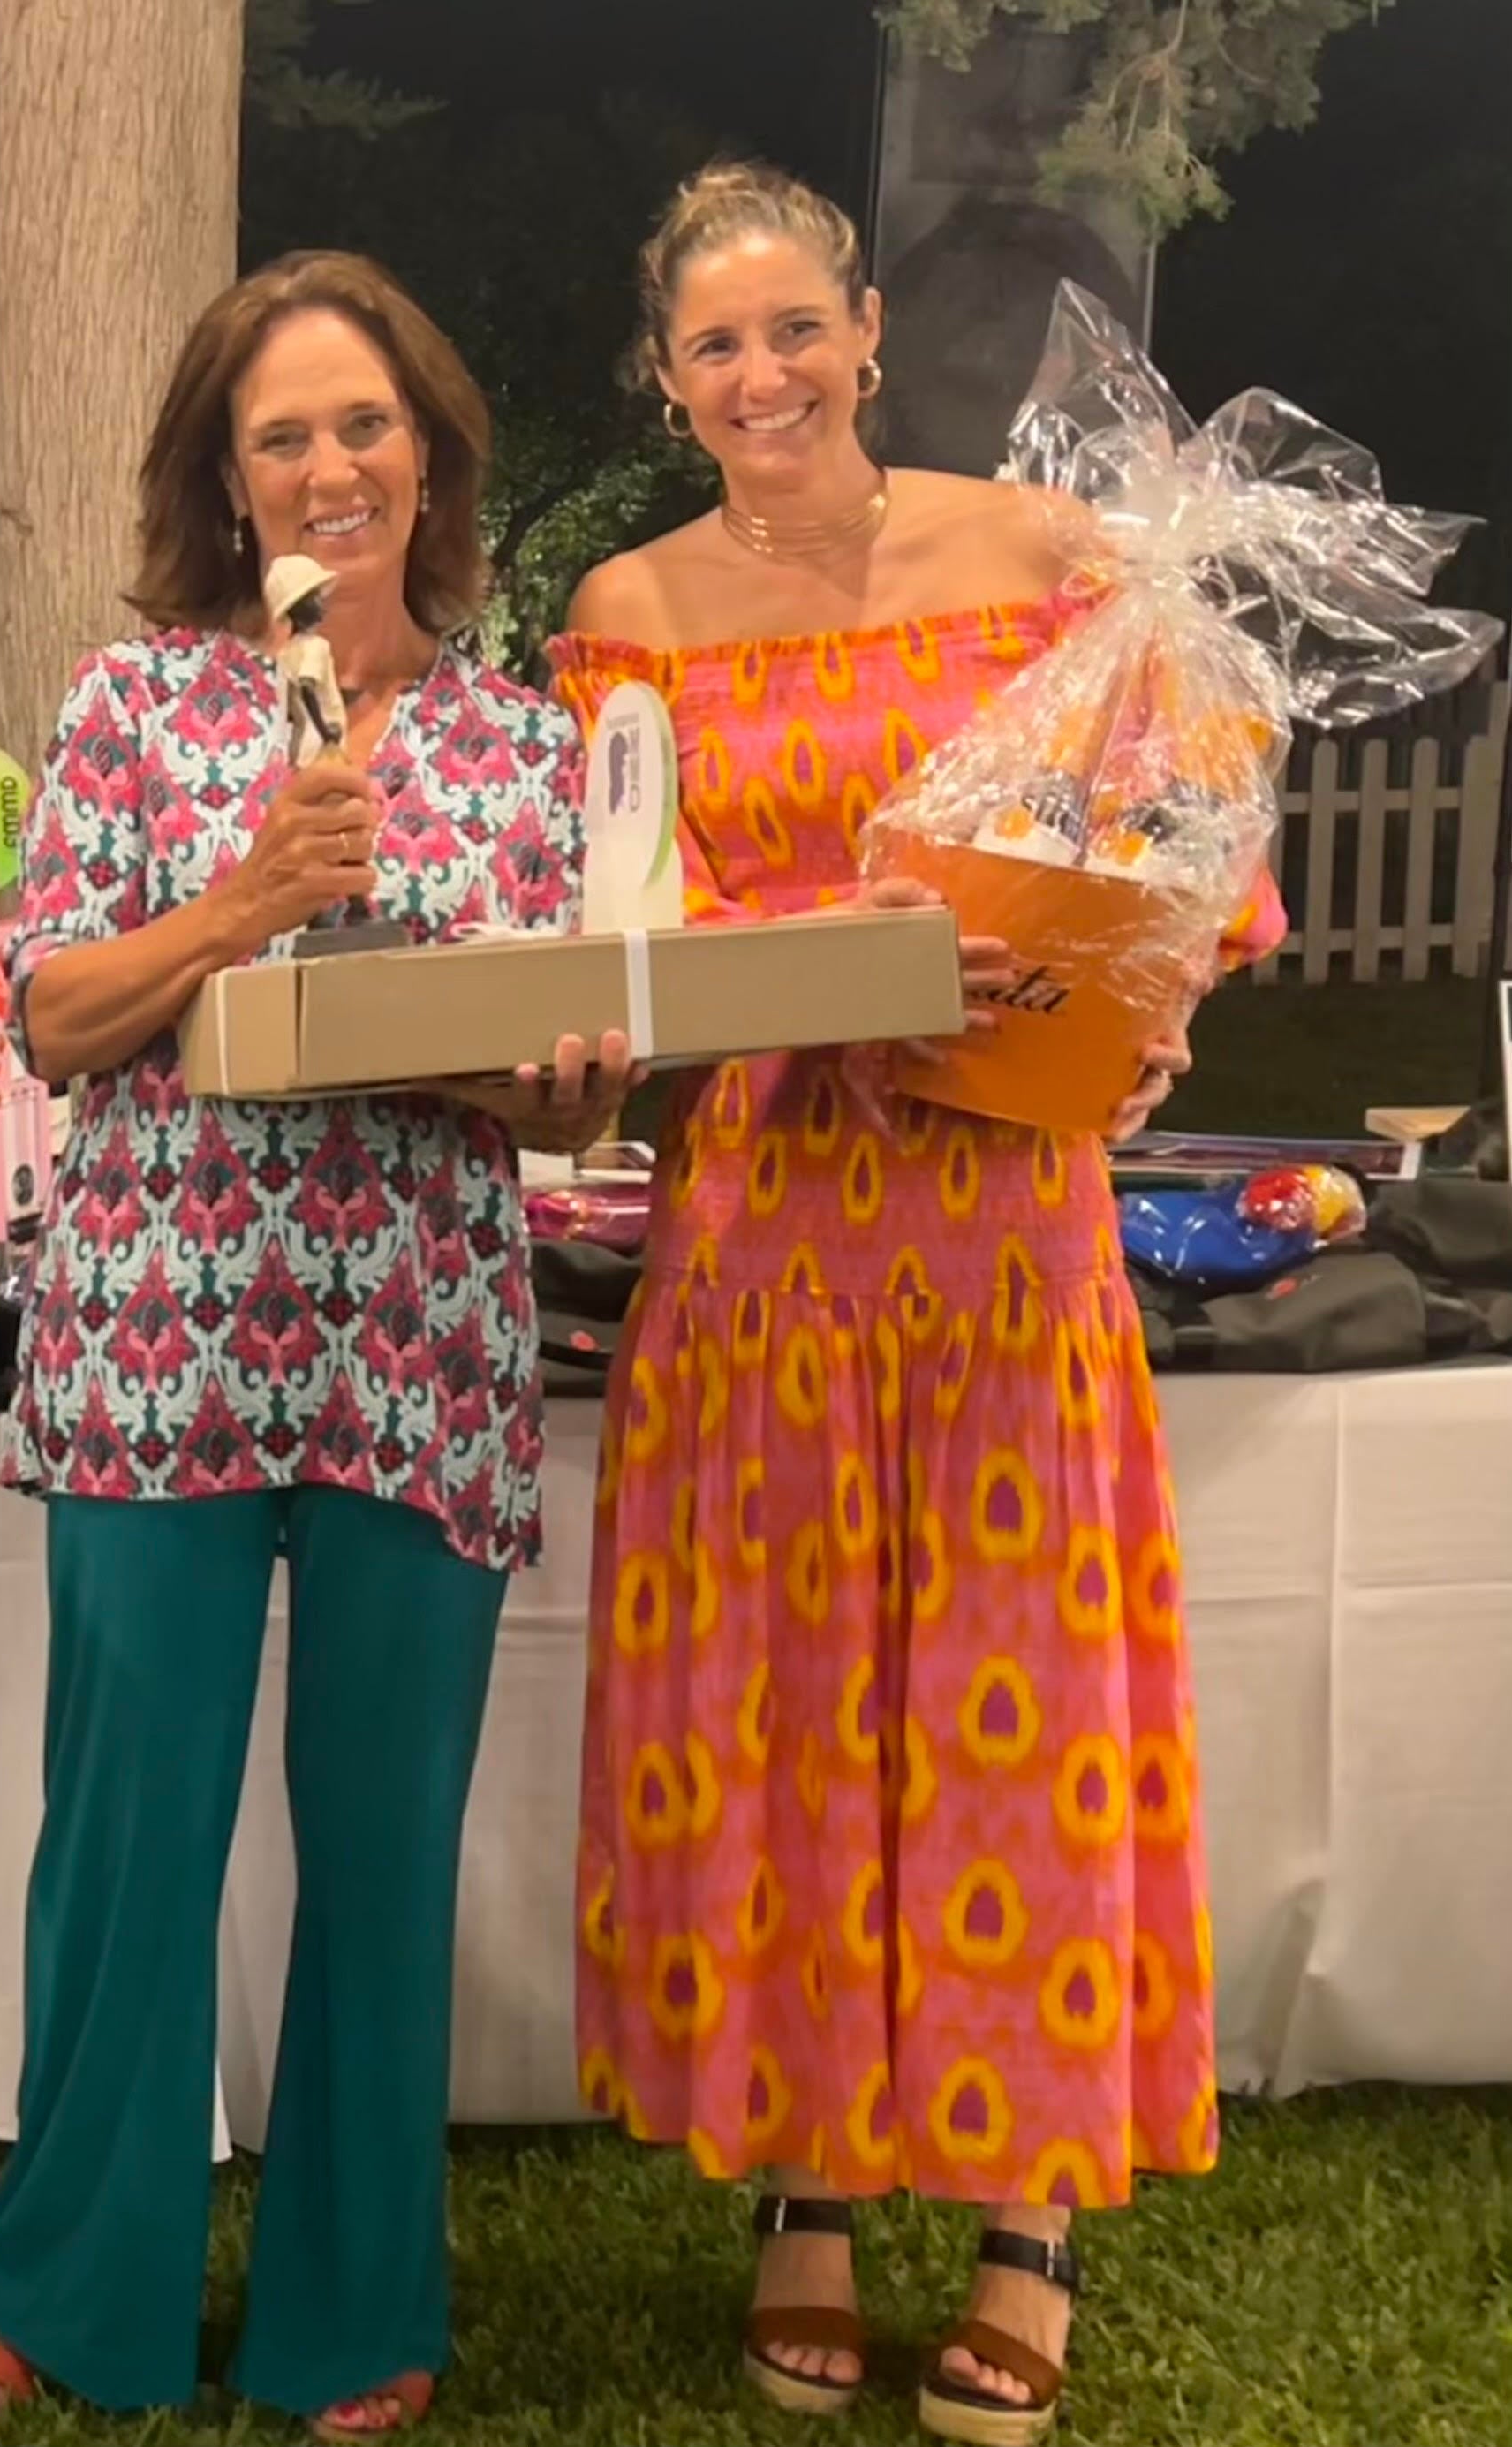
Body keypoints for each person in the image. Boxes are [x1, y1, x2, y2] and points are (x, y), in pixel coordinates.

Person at [549, 161, 1280, 2447]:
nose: (756, 376)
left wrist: (1136, 991)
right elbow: (616, 940)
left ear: (861, 329)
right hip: (757, 1220)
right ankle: (802, 2180)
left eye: (790, 329)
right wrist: (647, 1016)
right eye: (709, 348)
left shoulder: (1052, 564)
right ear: (663, 385)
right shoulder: (623, 609)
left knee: (1003, 1689)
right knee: (781, 1703)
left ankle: (1021, 2217)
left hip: (997, 1212)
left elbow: (1188, 862)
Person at [0, 251, 635, 2438]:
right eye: (276, 439)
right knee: (125, 1828)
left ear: (425, 455)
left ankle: (352, 2295)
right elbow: (45, 1012)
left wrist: (563, 1079)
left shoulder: (528, 749)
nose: (324, 467)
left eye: (359, 426)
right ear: (222, 489)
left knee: (381, 1828)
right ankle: (72, 2273)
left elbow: (560, 1075)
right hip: (155, 1333)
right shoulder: (135, 707)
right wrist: (242, 898)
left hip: (412, 1337)